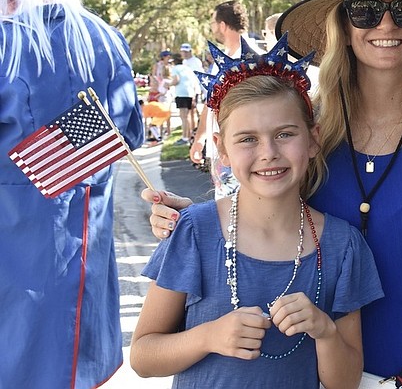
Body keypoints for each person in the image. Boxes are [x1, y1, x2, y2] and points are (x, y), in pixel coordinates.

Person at [145, 0, 402, 387]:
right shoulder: (312, 127)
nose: (386, 24)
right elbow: (268, 201)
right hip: (322, 349)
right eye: (365, 10)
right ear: (343, 26)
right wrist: (190, 217)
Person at [130, 35, 383, 387]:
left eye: (285, 134)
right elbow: (143, 357)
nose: (268, 153)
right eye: (248, 139)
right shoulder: (194, 232)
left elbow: (345, 382)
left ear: (313, 139)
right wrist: (208, 337)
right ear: (222, 149)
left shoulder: (343, 245)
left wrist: (324, 331)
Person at [0, 0, 145, 388]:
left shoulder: (4, 41)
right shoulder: (104, 39)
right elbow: (129, 131)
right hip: (83, 243)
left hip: (10, 244)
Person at [190, 0, 263, 195]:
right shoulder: (221, 60)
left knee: (244, 206)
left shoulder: (254, 58)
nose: (212, 29)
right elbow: (210, 102)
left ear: (222, 25)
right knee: (225, 206)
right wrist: (200, 137)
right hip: (222, 150)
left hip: (244, 151)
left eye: (213, 23)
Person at [169, 54, 200, 144]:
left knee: (183, 117)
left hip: (181, 93)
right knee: (188, 116)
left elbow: (176, 80)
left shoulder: (175, 69)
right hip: (189, 93)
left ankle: (185, 137)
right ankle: (190, 135)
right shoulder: (187, 68)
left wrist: (168, 84)